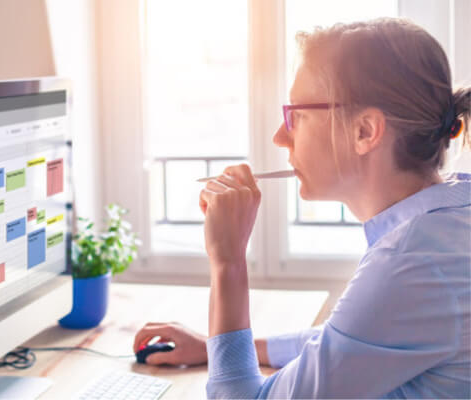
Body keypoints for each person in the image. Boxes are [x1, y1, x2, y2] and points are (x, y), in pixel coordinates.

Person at [133, 18, 470, 398]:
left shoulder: (410, 263)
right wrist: (218, 347)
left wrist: (228, 262)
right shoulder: (450, 221)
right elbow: (348, 340)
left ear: (365, 131)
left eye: (297, 116)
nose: (280, 136)